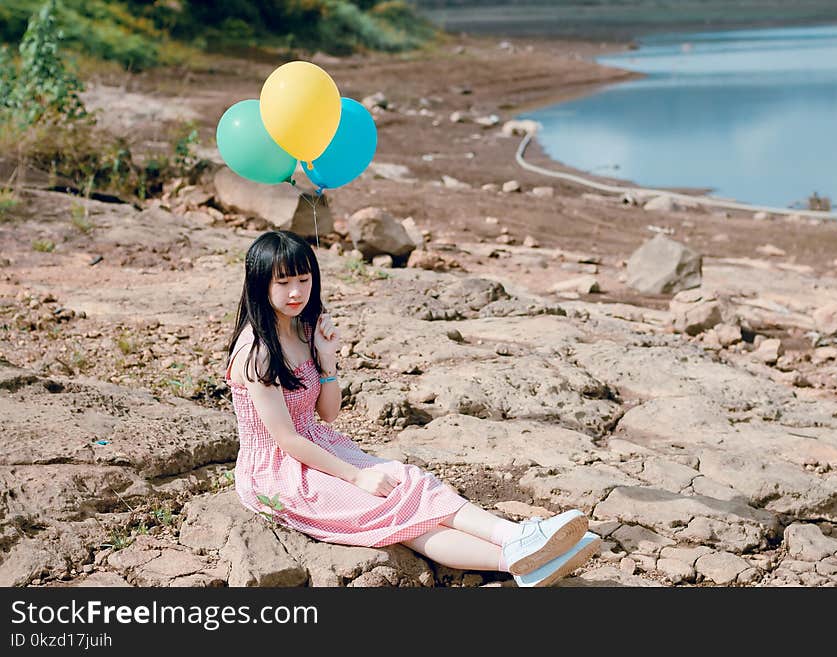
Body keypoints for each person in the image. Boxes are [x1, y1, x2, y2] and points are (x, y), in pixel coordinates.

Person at [224, 230, 601, 587]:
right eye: (283, 282)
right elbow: (287, 439)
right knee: (397, 514)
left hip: (319, 445)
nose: (296, 292)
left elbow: (328, 414)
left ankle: (518, 539)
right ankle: (519, 556)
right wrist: (356, 477)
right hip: (277, 471)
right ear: (261, 284)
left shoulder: (303, 329)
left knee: (411, 483)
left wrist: (326, 359)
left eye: (303, 280)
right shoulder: (256, 353)